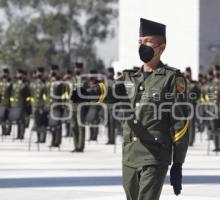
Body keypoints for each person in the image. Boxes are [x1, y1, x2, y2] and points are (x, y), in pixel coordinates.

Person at [72, 18, 189, 199]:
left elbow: (181, 124)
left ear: (161, 47)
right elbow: (109, 90)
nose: (143, 46)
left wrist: (178, 163)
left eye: (148, 42)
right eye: (140, 42)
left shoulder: (172, 79)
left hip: (155, 155)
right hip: (130, 155)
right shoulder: (129, 77)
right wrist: (86, 94)